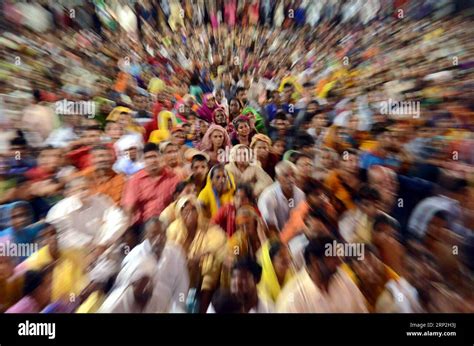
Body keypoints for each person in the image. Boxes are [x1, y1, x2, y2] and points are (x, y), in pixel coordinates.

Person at [112, 217, 190, 313]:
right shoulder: (134, 257)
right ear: (145, 236)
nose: (159, 239)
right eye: (154, 235)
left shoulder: (176, 253)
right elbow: (126, 292)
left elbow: (182, 288)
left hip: (169, 308)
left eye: (162, 235)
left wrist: (178, 307)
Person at [166, 195, 226, 312]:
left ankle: (204, 307)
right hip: (181, 268)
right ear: (180, 213)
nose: (189, 213)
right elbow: (170, 251)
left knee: (211, 260)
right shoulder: (174, 229)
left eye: (193, 210)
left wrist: (199, 256)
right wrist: (185, 261)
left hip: (200, 269)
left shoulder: (206, 226)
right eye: (185, 211)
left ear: (198, 211)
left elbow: (219, 240)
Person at [276, 236, 368, 313]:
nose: (339, 262)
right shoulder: (293, 298)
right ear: (314, 260)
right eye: (333, 257)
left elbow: (361, 309)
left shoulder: (342, 278)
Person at [46, 176, 128, 251]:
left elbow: (119, 219)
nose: (86, 192)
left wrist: (104, 243)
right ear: (70, 192)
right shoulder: (61, 209)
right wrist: (91, 245)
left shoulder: (101, 200)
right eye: (81, 189)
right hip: (73, 253)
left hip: (104, 248)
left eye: (87, 188)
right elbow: (64, 234)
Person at [122, 143, 181, 230]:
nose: (152, 161)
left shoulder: (173, 178)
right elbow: (129, 207)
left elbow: (179, 203)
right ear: (143, 161)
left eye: (154, 156)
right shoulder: (136, 179)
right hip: (142, 224)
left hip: (167, 223)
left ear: (161, 158)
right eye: (148, 158)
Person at [209, 257, 274, 313]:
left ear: (256, 280)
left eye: (243, 277)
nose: (237, 282)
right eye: (234, 277)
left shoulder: (269, 309)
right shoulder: (219, 305)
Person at [258, 161, 305, 232]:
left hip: (294, 236)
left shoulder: (300, 194)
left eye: (293, 175)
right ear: (277, 178)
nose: (291, 179)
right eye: (286, 176)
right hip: (274, 238)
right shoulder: (268, 197)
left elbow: (299, 221)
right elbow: (271, 228)